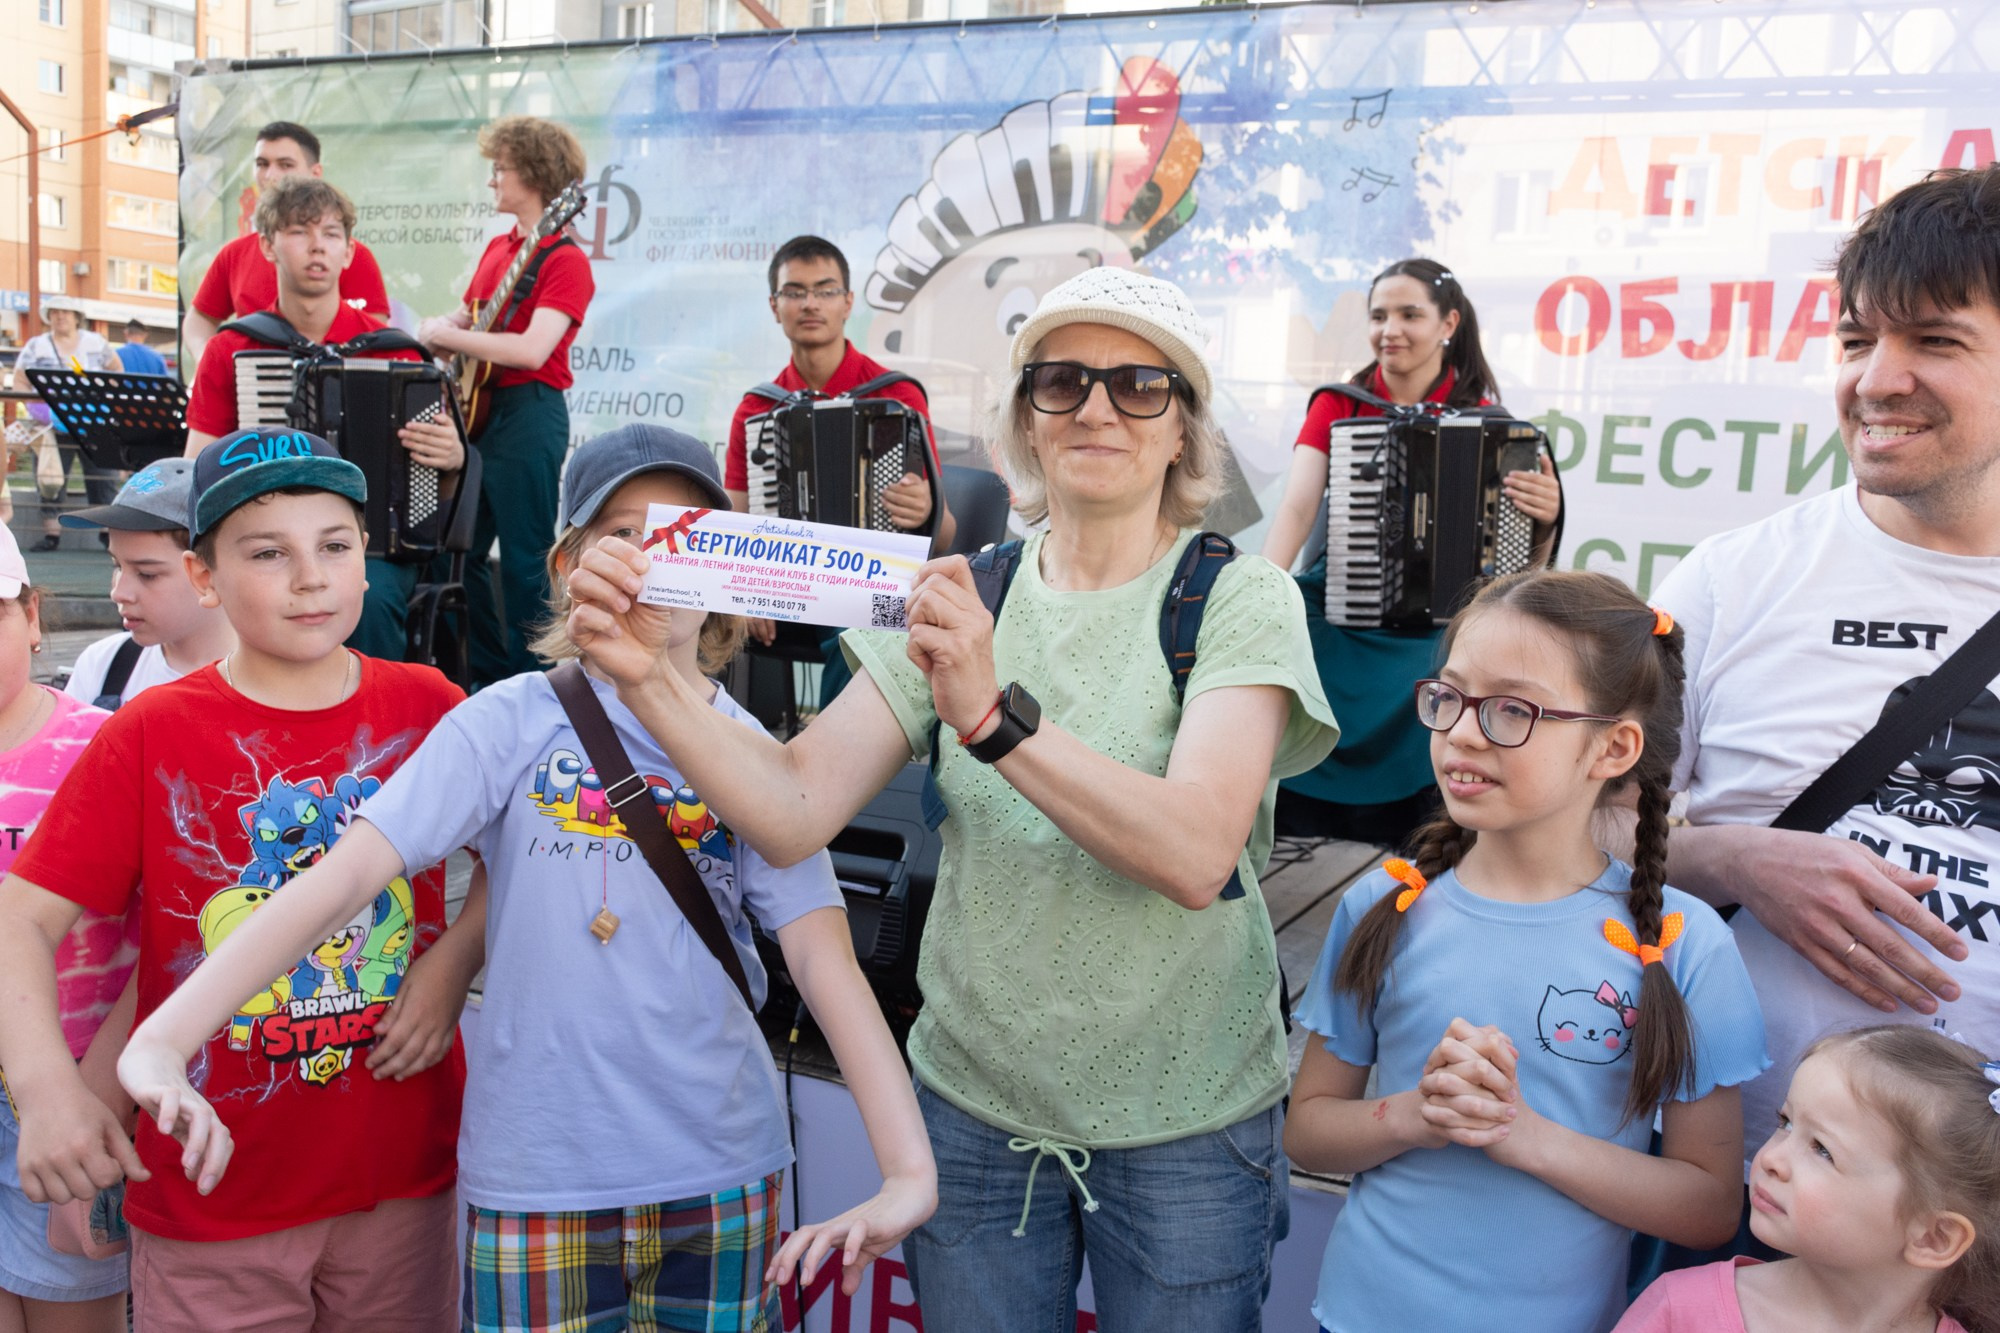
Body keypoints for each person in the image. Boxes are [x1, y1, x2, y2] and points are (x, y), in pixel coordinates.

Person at [562, 268, 1339, 1330]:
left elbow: (1197, 853)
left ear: (1182, 432)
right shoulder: (955, 589)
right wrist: (647, 675)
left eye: (1138, 386)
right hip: (971, 1116)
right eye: (1061, 382)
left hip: (1186, 1127)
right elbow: (791, 809)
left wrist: (990, 719)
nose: (1098, 408)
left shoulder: (1237, 595)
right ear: (1025, 420)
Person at [117, 424, 937, 1332]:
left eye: (686, 531)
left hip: (722, 1174)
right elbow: (341, 877)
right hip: (536, 1179)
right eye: (621, 531)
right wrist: (166, 1037)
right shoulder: (507, 721)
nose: (651, 555)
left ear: (731, 569)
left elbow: (827, 963)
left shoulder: (760, 762)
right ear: (568, 564)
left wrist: (908, 1169)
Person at [0, 427, 477, 1331]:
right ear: (207, 575)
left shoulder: (430, 706)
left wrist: (450, 966)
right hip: (209, 1193)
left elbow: (512, 855)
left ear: (367, 559)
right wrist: (47, 1088)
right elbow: (19, 916)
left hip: (403, 1178)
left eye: (334, 546)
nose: (311, 576)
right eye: (269, 552)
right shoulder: (148, 731)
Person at [1644, 164, 2000, 1217]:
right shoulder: (1728, 578)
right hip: (1736, 1190)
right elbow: (1575, 821)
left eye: (1933, 341)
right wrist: (1731, 856)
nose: (1875, 381)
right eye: (1854, 341)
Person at [1287, 569, 1766, 1333]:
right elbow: (1308, 1128)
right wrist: (1418, 1114)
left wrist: (1523, 1134)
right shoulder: (1383, 904)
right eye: (1448, 696)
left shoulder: (1682, 943)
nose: (1464, 731)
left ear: (1613, 747)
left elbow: (1707, 1205)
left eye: (1513, 709)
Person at [1262, 259, 1562, 849]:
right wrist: (1263, 587)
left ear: (1448, 322)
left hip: (1442, 608)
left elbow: (1523, 569)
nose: (1389, 329)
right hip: (1343, 592)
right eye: (1378, 316)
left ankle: (1423, 832)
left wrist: (1546, 518)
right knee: (1289, 627)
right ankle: (1285, 807)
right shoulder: (1338, 404)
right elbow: (1297, 508)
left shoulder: (1492, 424)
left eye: (1408, 314)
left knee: (1457, 654)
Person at [184, 175, 465, 662]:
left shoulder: (398, 354)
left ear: (349, 251)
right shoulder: (232, 349)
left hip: (370, 547)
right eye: (298, 231)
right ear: (268, 246)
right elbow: (195, 466)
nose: (317, 247)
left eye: (331, 234)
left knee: (367, 596)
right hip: (261, 541)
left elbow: (440, 487)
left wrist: (454, 458)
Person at [1617, 1026, 1995, 1333]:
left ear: (1934, 1238)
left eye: (1822, 1150)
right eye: (1785, 1123)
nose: (1771, 1159)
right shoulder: (1680, 1312)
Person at [0, 527, 134, 1333]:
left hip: (71, 1094)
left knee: (70, 1311)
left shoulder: (102, 747)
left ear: (33, 614)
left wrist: (101, 1088)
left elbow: (165, 938)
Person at [726, 234, 958, 700]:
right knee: (692, 610)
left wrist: (925, 511)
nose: (810, 303)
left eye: (825, 290)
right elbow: (733, 520)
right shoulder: (757, 409)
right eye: (795, 292)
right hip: (786, 581)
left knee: (862, 618)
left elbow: (945, 534)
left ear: (848, 302)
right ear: (775, 306)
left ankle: (833, 758)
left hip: (869, 586)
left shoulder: (897, 399)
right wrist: (744, 591)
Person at [418, 115, 593, 688]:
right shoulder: (501, 247)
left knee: (524, 561)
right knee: (458, 555)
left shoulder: (565, 259)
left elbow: (531, 348)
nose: (493, 180)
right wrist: (444, 324)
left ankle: (538, 681)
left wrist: (449, 337)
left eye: (502, 168)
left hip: (530, 414)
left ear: (535, 174)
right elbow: (473, 317)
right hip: (480, 415)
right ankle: (490, 677)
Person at [184, 122, 389, 364]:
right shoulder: (234, 254)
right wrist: (208, 361)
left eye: (285, 165)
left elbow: (373, 334)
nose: (270, 175)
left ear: (315, 173)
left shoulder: (351, 255)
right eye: (262, 164)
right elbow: (199, 320)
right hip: (252, 387)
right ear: (268, 247)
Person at [57, 459, 234, 709]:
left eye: (147, 574)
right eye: (117, 565)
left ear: (207, 575)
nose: (119, 593)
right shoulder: (103, 665)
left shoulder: (279, 682)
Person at [17, 298, 123, 551]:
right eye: (54, 312)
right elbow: (20, 380)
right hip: (52, 426)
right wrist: (36, 408)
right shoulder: (36, 346)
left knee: (103, 477)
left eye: (65, 311)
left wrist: (104, 400)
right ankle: (51, 535)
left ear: (77, 316)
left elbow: (117, 371)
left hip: (93, 424)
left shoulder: (96, 342)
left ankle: (108, 534)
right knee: (49, 477)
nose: (60, 316)